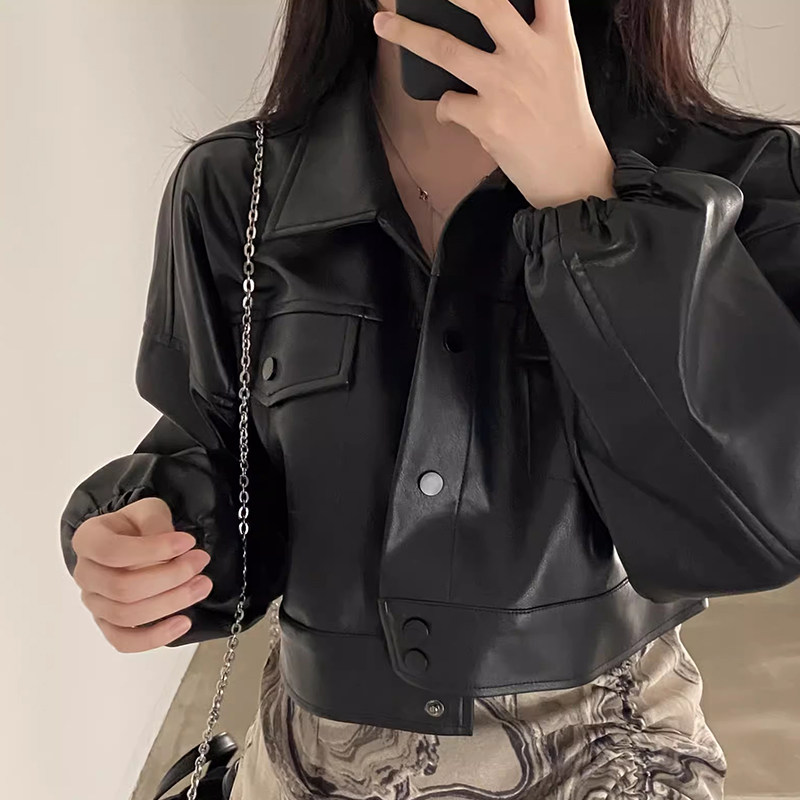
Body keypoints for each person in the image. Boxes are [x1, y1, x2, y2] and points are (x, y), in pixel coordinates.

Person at [59, 0, 800, 797]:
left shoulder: (738, 175)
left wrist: (591, 206)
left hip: (603, 761)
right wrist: (157, 540)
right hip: (316, 765)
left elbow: (754, 526)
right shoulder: (239, 187)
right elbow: (218, 453)